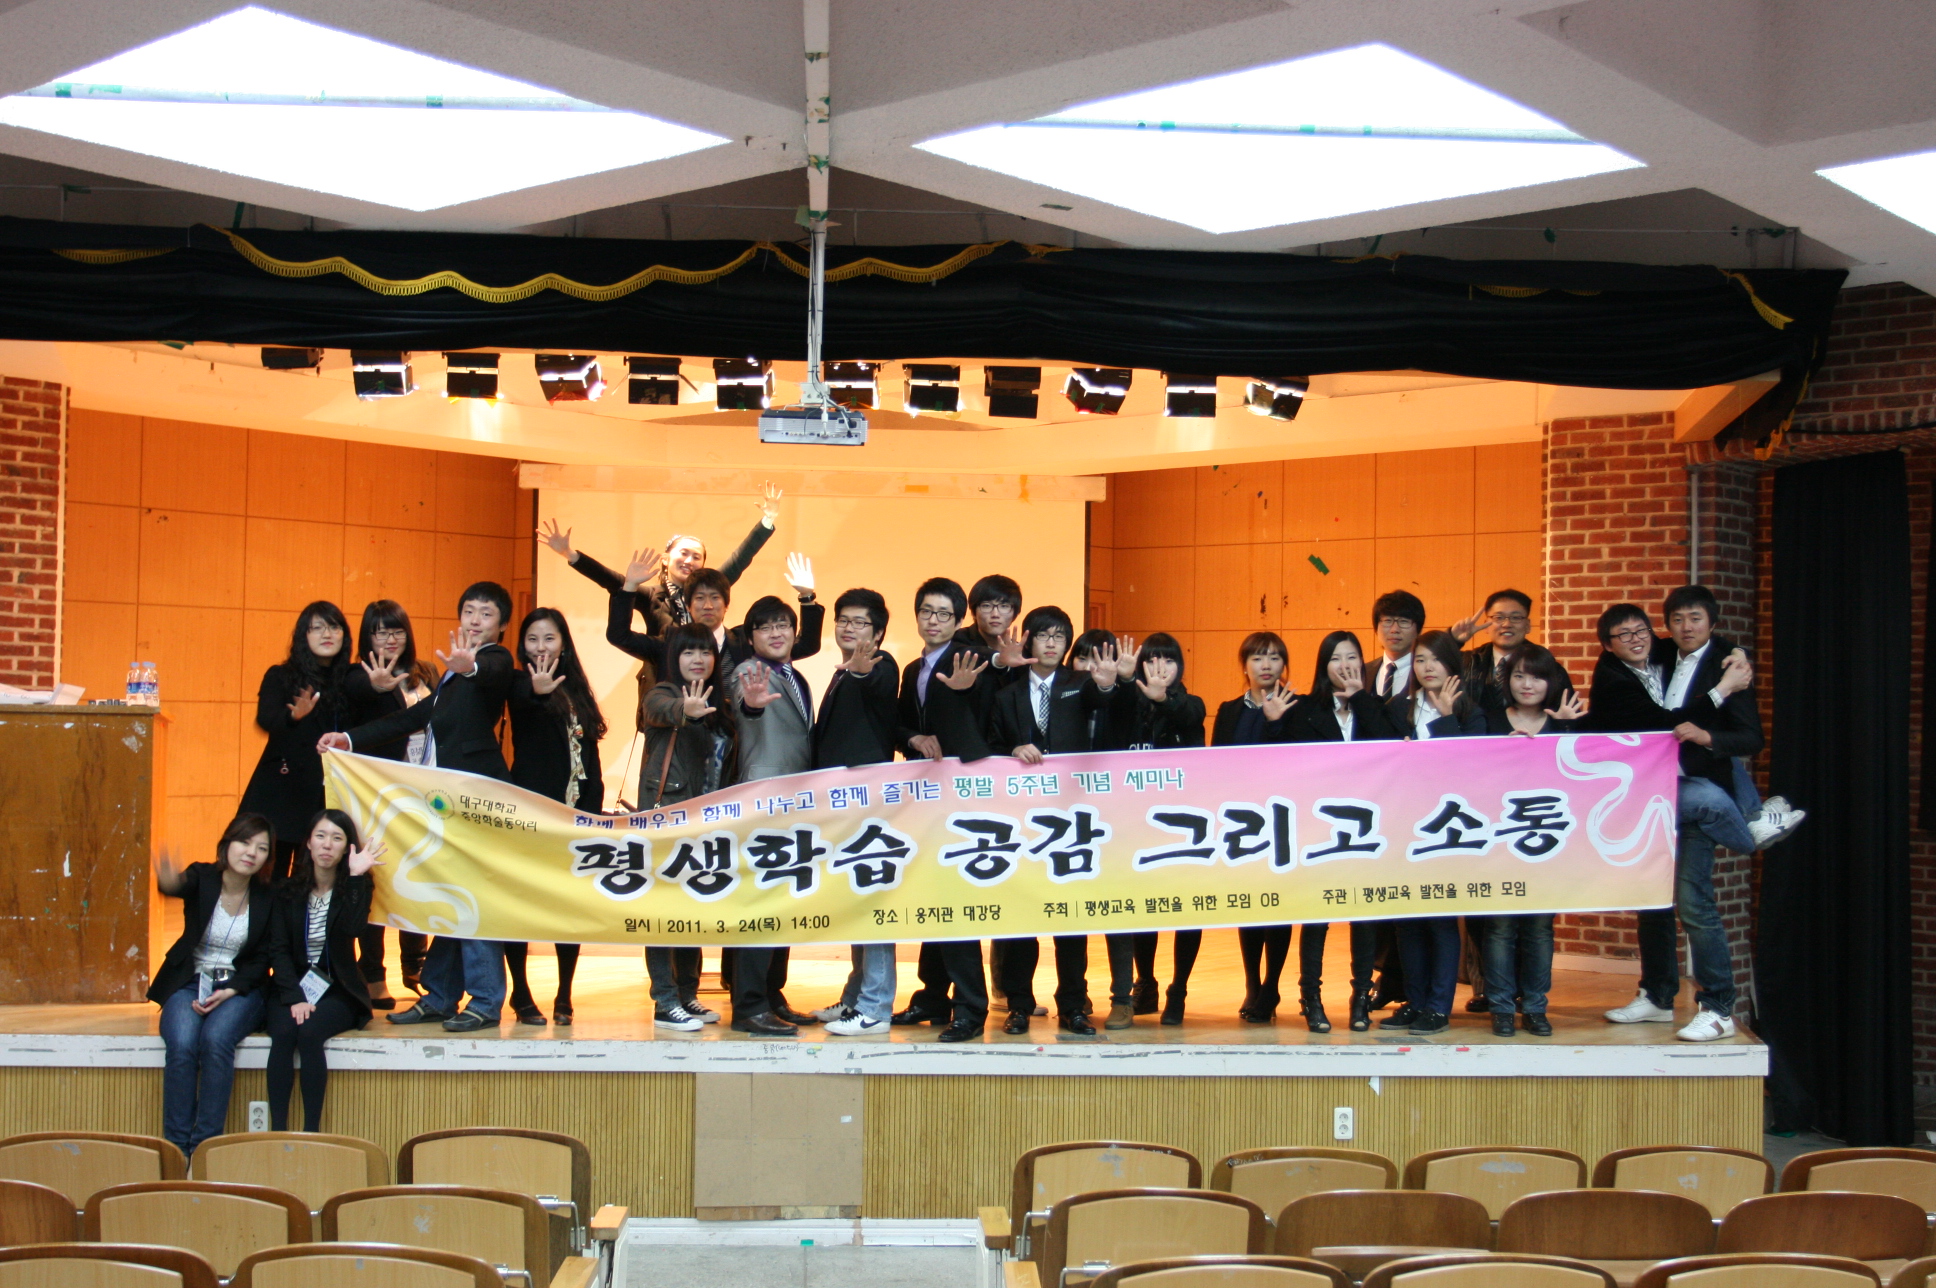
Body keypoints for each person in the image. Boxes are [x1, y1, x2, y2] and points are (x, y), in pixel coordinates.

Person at [1592, 588, 1796, 1043]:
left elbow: (1750, 738)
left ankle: (1718, 1008)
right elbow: (1653, 709)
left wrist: (1708, 735)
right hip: (1652, 797)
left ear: (1711, 622)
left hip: (1691, 798)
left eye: (1696, 618)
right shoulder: (1656, 656)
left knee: (1694, 905)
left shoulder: (1726, 668)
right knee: (1651, 902)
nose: (1686, 627)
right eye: (1678, 619)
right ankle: (1657, 995)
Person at [321, 582, 516, 1033]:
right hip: (444, 803)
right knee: (451, 896)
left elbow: (490, 670)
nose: (475, 620)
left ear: (502, 624)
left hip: (475, 800)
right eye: (469, 611)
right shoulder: (449, 677)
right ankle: (441, 996)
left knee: (474, 898)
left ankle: (486, 1000)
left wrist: (471, 666)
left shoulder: (494, 659)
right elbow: (411, 717)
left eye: (486, 614)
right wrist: (348, 740)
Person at [985, 606, 1119, 1037]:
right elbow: (990, 745)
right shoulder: (1006, 693)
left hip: (1071, 817)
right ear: (1028, 640)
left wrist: (1108, 683)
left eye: (1059, 637)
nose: (1050, 643)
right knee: (1022, 917)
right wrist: (1011, 751)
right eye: (1043, 635)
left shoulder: (1081, 684)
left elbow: (1105, 701)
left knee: (1070, 918)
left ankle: (1074, 1006)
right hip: (1022, 820)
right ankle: (1019, 1005)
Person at [891, 577, 997, 1043]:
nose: (933, 621)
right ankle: (932, 996)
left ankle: (971, 1007)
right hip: (924, 797)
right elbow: (900, 723)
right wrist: (913, 738)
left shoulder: (972, 660)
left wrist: (959, 691)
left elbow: (980, 728)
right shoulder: (913, 666)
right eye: (926, 612)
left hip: (964, 798)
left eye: (943, 614)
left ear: (958, 621)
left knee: (956, 902)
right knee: (931, 898)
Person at [723, 594, 828, 1036]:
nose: (776, 632)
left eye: (783, 624)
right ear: (750, 638)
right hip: (765, 801)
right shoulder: (750, 672)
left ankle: (770, 995)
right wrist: (751, 704)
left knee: (783, 899)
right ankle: (749, 1005)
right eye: (765, 627)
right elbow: (745, 706)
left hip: (795, 802)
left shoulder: (793, 674)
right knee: (761, 903)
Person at [1288, 631, 1402, 1031]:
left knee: (1363, 916)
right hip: (1319, 829)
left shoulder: (1375, 707)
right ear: (1324, 665)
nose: (1344, 665)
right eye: (1336, 658)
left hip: (1366, 829)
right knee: (1316, 919)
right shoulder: (1303, 709)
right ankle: (1311, 998)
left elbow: (1391, 749)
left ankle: (1360, 998)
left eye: (1352, 657)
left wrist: (1361, 700)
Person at [150, 815, 277, 1160]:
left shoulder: (268, 895)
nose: (251, 853)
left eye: (261, 848)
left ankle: (204, 1149)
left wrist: (232, 989)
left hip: (240, 987)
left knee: (216, 1040)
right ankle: (177, 1151)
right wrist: (167, 880)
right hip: (190, 980)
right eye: (244, 842)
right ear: (226, 845)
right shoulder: (203, 876)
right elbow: (178, 886)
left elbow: (263, 957)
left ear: (268, 858)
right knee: (182, 1044)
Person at [1477, 645, 1586, 1038]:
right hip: (1500, 841)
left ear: (1551, 682)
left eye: (1537, 676)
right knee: (1500, 928)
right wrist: (1502, 750)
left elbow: (1583, 777)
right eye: (1519, 675)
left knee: (1539, 929)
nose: (1527, 684)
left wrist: (1569, 730)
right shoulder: (1488, 719)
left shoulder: (1563, 723)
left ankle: (1536, 1007)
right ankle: (1501, 1007)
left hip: (1547, 844)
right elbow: (1467, 771)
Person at [505, 608, 606, 1027]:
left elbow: (591, 754)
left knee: (570, 908)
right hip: (531, 815)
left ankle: (564, 993)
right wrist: (536, 691)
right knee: (518, 907)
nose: (541, 647)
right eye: (532, 639)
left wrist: (594, 814)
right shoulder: (517, 683)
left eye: (549, 638)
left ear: (563, 643)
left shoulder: (577, 688)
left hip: (575, 816)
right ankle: (521, 992)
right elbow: (522, 704)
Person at [1098, 632, 1205, 1028]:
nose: (1161, 668)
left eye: (1169, 660)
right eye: (1152, 660)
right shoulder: (1127, 703)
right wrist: (1128, 686)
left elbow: (1188, 720)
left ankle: (1179, 989)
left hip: (1182, 827)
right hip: (1132, 824)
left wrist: (1163, 699)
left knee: (1187, 909)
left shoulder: (1191, 703)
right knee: (1140, 906)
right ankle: (1143, 982)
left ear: (1180, 666)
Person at [639, 621, 741, 1031]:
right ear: (674, 657)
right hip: (669, 818)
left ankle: (687, 994)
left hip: (709, 822)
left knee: (691, 908)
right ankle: (665, 1001)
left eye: (705, 652)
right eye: (688, 652)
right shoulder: (662, 693)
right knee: (661, 912)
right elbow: (658, 710)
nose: (698, 659)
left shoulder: (722, 704)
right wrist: (686, 710)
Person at [810, 588, 902, 1038]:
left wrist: (863, 673)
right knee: (856, 901)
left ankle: (876, 1007)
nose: (848, 627)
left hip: (867, 805)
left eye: (860, 622)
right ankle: (855, 996)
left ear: (878, 633)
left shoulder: (881, 665)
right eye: (843, 620)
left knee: (873, 902)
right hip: (840, 805)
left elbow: (878, 686)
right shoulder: (841, 671)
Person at [341, 599, 437, 1007]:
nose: (389, 639)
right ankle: (373, 974)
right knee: (376, 881)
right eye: (380, 632)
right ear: (367, 637)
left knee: (417, 877)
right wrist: (377, 686)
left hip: (422, 792)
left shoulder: (425, 673)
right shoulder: (356, 676)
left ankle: (416, 967)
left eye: (396, 630)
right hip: (375, 795)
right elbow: (358, 700)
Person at [264, 809, 383, 1133]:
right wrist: (294, 997)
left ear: (347, 848)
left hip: (338, 989)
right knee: (284, 1033)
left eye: (337, 838)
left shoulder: (355, 887)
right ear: (308, 842)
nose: (327, 845)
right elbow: (278, 950)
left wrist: (356, 876)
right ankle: (277, 1130)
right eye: (320, 836)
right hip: (290, 986)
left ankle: (311, 1132)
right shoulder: (287, 891)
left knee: (309, 1033)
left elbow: (354, 929)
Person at [240, 601, 352, 880]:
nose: (327, 634)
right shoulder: (281, 676)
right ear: (304, 635)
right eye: (317, 628)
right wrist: (293, 717)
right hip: (282, 790)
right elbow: (266, 720)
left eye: (334, 627)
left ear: (344, 634)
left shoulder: (350, 680)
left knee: (311, 879)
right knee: (270, 878)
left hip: (325, 793)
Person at [1461, 590, 1535, 716]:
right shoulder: (1468, 661)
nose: (1507, 624)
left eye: (1516, 618)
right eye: (1498, 618)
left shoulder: (1546, 665)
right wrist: (1455, 640)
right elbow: (1433, 662)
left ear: (1527, 625)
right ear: (1486, 625)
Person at [1368, 590, 1426, 701]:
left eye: (1403, 621)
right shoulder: (1364, 672)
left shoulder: (1428, 671)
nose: (1394, 629)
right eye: (1387, 621)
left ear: (1418, 630)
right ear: (1376, 628)